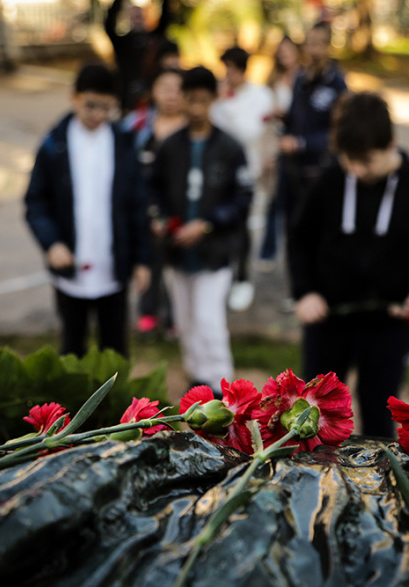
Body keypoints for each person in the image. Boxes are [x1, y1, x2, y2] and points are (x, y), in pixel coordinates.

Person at [289, 92, 409, 438]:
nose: (355, 169)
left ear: (391, 143)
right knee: (313, 416)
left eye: (365, 160)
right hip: (328, 321)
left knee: (380, 416)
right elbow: (299, 239)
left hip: (388, 327)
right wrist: (305, 292)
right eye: (348, 159)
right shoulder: (330, 181)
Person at [25, 63, 150, 357]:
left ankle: (118, 404)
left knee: (115, 349)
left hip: (112, 265)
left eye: (107, 108)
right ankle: (75, 404)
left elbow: (137, 204)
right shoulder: (53, 144)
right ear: (74, 97)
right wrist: (52, 243)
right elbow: (35, 201)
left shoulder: (123, 143)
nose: (98, 115)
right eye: (91, 105)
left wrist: (142, 259)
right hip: (70, 268)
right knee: (72, 348)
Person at [147, 66, 253, 391]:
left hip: (214, 251)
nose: (196, 109)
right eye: (190, 100)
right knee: (185, 320)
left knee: (209, 320)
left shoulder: (230, 147)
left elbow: (242, 198)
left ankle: (223, 386)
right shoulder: (170, 146)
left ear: (214, 100)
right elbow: (155, 190)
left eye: (203, 101)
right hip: (178, 251)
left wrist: (207, 225)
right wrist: (162, 219)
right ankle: (197, 381)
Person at [269, 23, 347, 267]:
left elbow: (338, 132)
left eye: (318, 44)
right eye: (309, 43)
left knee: (318, 226)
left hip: (318, 167)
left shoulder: (337, 83)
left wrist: (302, 143)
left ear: (328, 46)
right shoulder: (301, 78)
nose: (312, 49)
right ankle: (297, 285)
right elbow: (296, 117)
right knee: (292, 226)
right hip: (291, 168)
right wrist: (283, 117)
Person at [210, 46, 274, 312]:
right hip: (220, 171)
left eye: (231, 69)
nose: (228, 75)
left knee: (245, 225)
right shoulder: (220, 97)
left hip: (249, 171)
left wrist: (226, 108)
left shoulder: (260, 96)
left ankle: (243, 278)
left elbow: (248, 132)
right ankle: (223, 276)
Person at [123, 67, 186, 337]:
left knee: (179, 267)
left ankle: (176, 316)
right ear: (153, 92)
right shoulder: (135, 126)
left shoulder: (194, 128)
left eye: (177, 88)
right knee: (148, 261)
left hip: (182, 210)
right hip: (145, 208)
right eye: (164, 88)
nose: (171, 95)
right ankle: (148, 312)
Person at [259, 35, 300, 267]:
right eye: (281, 51)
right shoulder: (272, 81)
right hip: (277, 144)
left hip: (297, 146)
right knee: (274, 201)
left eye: (288, 50)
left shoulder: (304, 79)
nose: (284, 55)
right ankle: (268, 249)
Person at [104, 0, 172, 113]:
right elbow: (109, 25)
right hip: (127, 100)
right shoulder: (121, 42)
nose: (137, 18)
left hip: (151, 102)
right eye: (134, 15)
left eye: (140, 15)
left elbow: (166, 19)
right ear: (128, 17)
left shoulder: (153, 39)